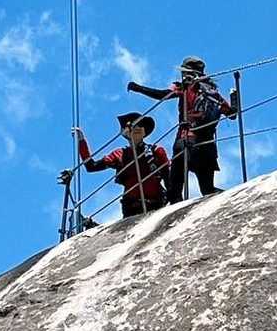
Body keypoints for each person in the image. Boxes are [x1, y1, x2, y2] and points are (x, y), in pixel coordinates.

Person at [128, 55, 238, 202]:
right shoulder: (212, 93)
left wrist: (138, 88)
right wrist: (234, 97)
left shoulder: (184, 87)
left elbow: (162, 95)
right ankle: (235, 199)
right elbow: (232, 114)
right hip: (207, 147)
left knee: (174, 191)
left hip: (185, 141)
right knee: (207, 189)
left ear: (187, 72)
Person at [62, 112, 170, 219]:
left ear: (144, 131)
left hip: (156, 203)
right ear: (125, 132)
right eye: (133, 125)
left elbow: (168, 177)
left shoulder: (156, 151)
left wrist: (174, 200)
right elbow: (91, 166)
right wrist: (81, 141)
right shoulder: (119, 155)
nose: (137, 128)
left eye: (141, 125)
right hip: (131, 208)